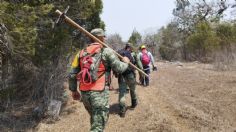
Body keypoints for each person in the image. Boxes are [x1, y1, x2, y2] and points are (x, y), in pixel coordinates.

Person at [68, 28, 130, 132]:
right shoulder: (106, 52)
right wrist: (126, 62)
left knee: (95, 120)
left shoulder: (80, 53)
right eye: (104, 36)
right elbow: (119, 68)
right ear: (100, 37)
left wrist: (74, 90)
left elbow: (72, 74)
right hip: (99, 93)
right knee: (98, 126)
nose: (105, 38)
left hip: (84, 94)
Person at [116, 43, 138, 117]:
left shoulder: (119, 52)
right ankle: (134, 104)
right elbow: (134, 63)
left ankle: (122, 112)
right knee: (133, 89)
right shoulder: (129, 54)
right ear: (130, 47)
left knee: (122, 93)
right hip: (130, 75)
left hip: (122, 75)